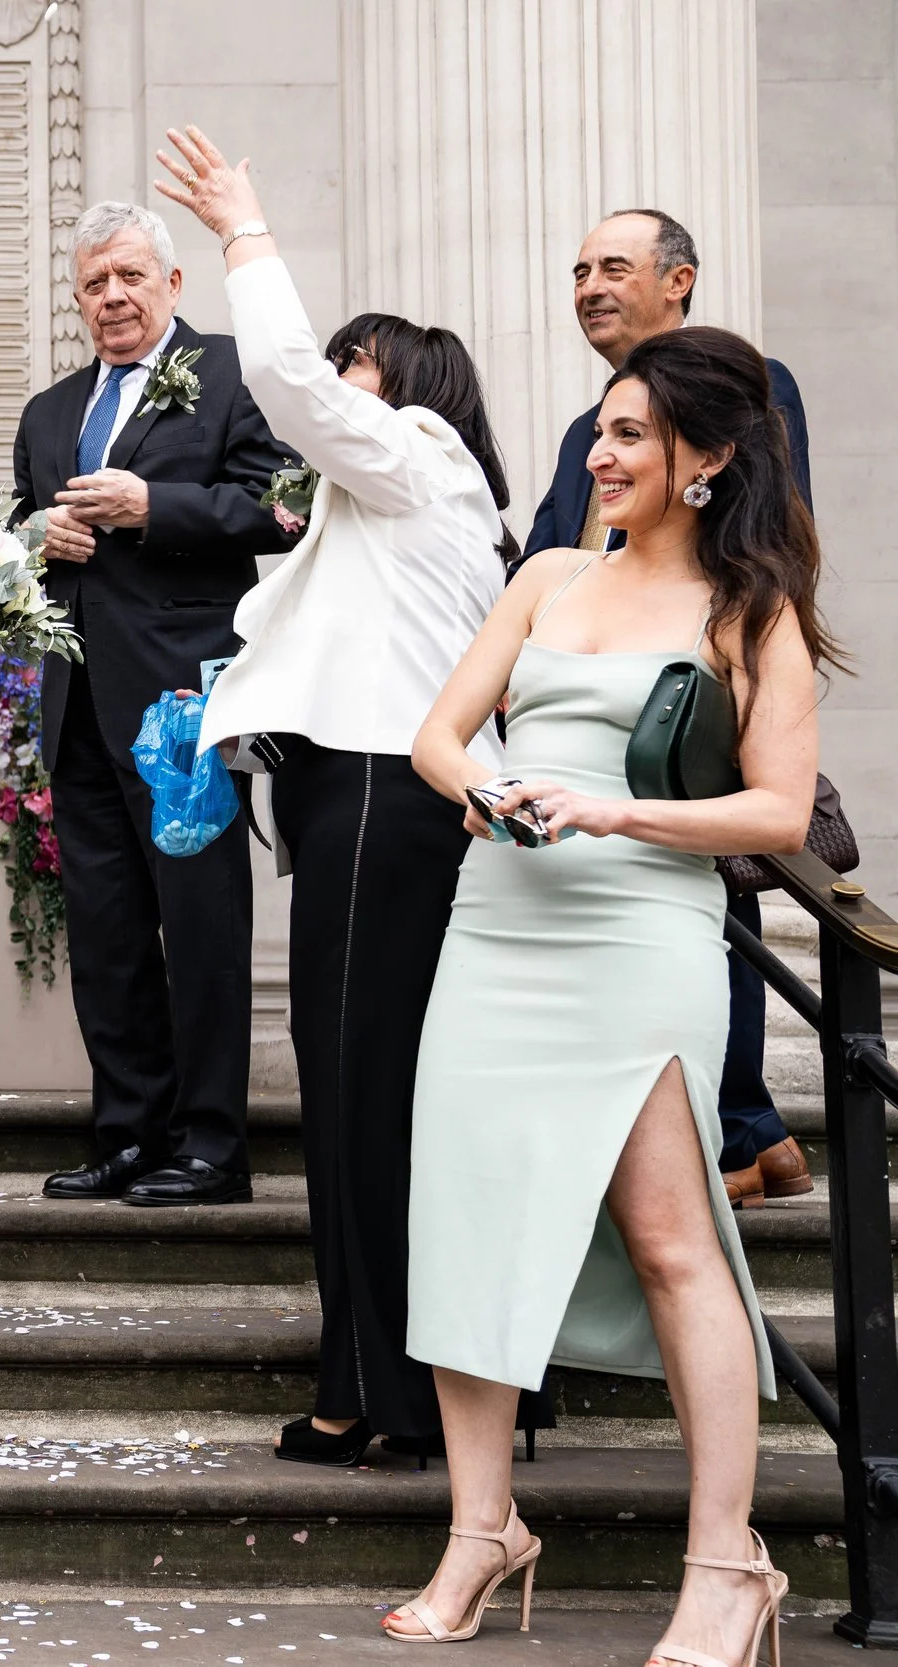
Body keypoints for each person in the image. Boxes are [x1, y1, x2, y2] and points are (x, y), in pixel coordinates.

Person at [399, 325, 835, 1663]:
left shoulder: (749, 611)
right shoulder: (543, 576)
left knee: (671, 1238)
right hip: (498, 929)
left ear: (706, 458)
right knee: (466, 1225)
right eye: (603, 426)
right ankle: (483, 1528)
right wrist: (489, 795)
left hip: (643, 938)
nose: (604, 449)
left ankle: (726, 1562)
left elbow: (777, 812)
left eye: (635, 431)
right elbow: (437, 732)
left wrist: (617, 809)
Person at [155, 126, 555, 1468]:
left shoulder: (416, 452)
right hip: (393, 802)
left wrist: (243, 225)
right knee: (397, 1100)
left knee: (357, 1096)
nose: (333, 386)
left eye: (355, 370)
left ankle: (372, 1393)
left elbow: (275, 373)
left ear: (406, 387)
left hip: (384, 801)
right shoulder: (413, 502)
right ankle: (415, 1381)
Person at [524, 208, 818, 1211]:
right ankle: (756, 1127)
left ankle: (731, 1127)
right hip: (594, 714)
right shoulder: (582, 434)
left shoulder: (754, 392)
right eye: (576, 271)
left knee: (707, 897)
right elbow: (545, 556)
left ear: (679, 281)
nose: (589, 286)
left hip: (691, 692)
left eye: (614, 266)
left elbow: (769, 542)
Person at [13, 200, 296, 1208]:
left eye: (131, 276)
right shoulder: (49, 412)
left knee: (202, 925)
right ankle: (128, 1133)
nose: (113, 297)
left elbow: (283, 505)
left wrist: (155, 507)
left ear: (173, 285)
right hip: (77, 706)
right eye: (94, 282)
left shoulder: (228, 374)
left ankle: (213, 1145)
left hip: (183, 709)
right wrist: (36, 534)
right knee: (107, 932)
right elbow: (15, 528)